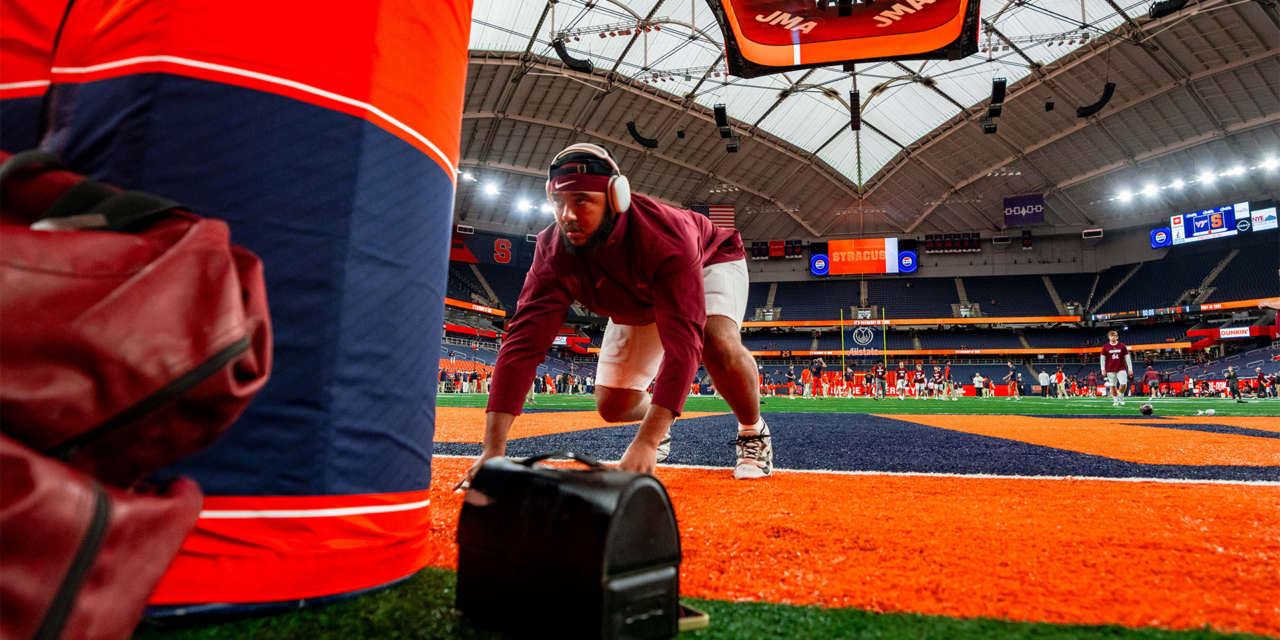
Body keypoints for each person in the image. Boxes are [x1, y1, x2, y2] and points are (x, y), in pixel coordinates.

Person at [459, 143, 770, 486]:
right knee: (613, 407)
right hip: (637, 297)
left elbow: (684, 344)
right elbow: (522, 345)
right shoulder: (552, 251)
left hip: (709, 261)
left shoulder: (665, 236)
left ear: (616, 197)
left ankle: (752, 431)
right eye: (558, 202)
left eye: (581, 200)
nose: (567, 215)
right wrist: (492, 450)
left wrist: (647, 441)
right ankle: (661, 416)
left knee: (714, 340)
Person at [1100, 330, 1133, 407]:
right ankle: (1115, 400)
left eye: (1114, 336)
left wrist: (1130, 368)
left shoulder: (1122, 346)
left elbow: (1127, 357)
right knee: (1112, 385)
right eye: (1111, 336)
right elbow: (1102, 358)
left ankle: (1120, 395)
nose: (1113, 337)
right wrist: (1102, 369)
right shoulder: (1105, 347)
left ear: (1117, 337)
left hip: (1121, 367)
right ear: (1109, 337)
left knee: (1124, 383)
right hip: (1110, 368)